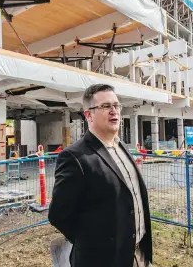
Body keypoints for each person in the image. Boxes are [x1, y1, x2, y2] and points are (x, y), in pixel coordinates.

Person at [48, 84, 153, 267]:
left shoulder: (122, 147)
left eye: (116, 105)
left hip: (137, 253)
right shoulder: (75, 157)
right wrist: (93, 244)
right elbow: (58, 214)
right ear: (88, 115)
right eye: (105, 106)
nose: (114, 111)